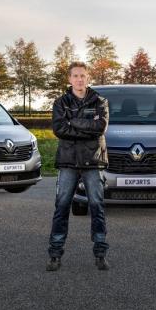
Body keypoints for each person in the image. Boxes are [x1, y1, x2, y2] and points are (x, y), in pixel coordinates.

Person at [46, 61, 110, 271]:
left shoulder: (100, 101)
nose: (79, 79)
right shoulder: (60, 103)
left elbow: (99, 127)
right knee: (62, 206)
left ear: (88, 77)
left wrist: (73, 121)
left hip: (93, 161)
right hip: (69, 161)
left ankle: (100, 253)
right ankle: (55, 253)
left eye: (83, 75)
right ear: (69, 79)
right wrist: (83, 126)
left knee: (97, 206)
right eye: (75, 76)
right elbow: (59, 129)